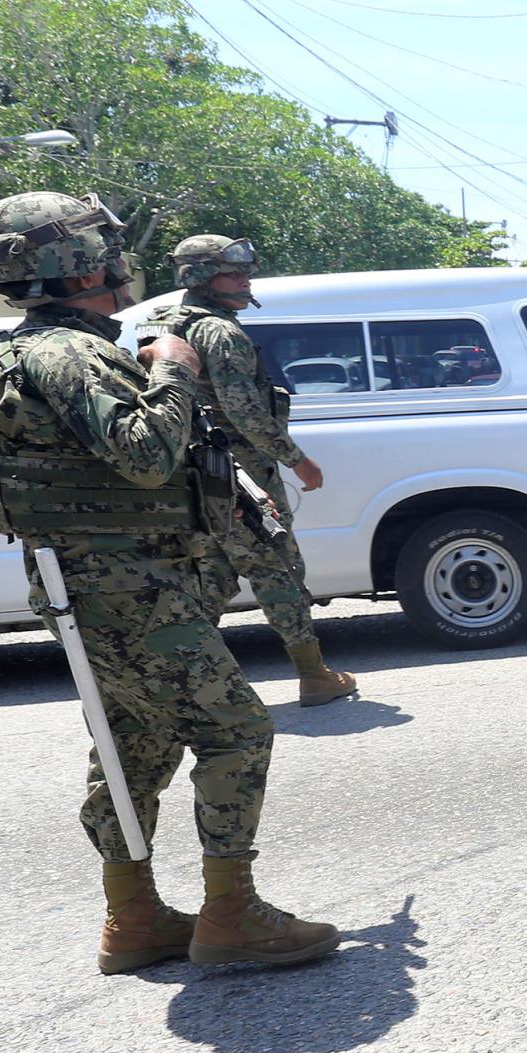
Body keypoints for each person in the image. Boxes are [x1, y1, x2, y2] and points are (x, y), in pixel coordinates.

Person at [0, 192, 339, 972]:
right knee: (236, 732)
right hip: (132, 590)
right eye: (102, 243)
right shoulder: (67, 354)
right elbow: (143, 453)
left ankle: (132, 917)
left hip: (103, 587)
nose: (117, 254)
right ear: (74, 263)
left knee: (132, 741)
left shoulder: (36, 350)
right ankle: (232, 914)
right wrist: (171, 373)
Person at [143, 233, 358, 707]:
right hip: (234, 474)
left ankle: (181, 685)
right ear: (201, 277)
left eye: (245, 272)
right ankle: (314, 674)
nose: (245, 280)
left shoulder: (160, 322)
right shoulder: (219, 331)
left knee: (213, 574)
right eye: (232, 273)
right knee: (277, 565)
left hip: (188, 473)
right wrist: (297, 459)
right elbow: (243, 411)